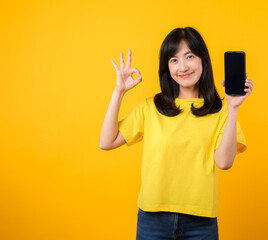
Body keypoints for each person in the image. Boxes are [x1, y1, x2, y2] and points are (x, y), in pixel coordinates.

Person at [99, 27, 254, 240]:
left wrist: (233, 107)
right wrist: (119, 92)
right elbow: (106, 141)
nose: (182, 67)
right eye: (173, 60)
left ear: (203, 60)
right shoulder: (151, 107)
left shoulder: (222, 111)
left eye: (189, 56)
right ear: (167, 67)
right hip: (152, 220)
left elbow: (224, 162)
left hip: (201, 223)